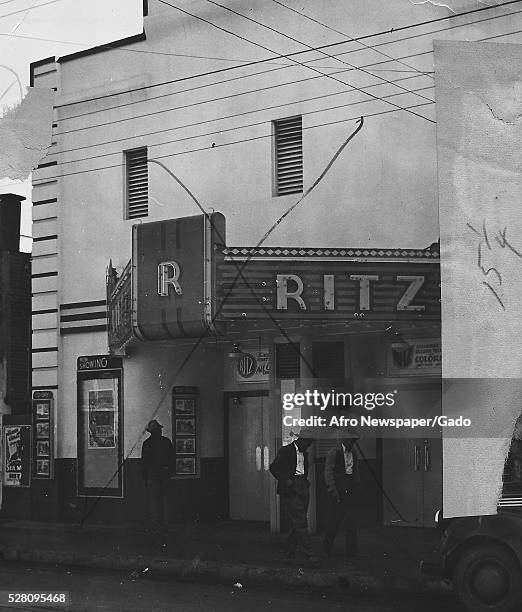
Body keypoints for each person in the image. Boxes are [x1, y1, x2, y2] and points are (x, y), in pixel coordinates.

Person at [269, 428, 320, 566]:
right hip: (291, 488)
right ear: (301, 440)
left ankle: (289, 555)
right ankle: (310, 554)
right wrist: (286, 480)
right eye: (308, 443)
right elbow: (273, 467)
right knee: (301, 522)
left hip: (302, 485)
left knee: (296, 523)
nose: (308, 446)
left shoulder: (305, 452)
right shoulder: (286, 451)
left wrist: (305, 482)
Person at [323, 434, 361, 557]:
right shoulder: (334, 453)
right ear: (344, 439)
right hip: (338, 491)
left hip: (351, 490)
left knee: (352, 523)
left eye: (354, 441)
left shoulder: (354, 452)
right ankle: (326, 550)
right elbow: (328, 473)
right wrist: (333, 491)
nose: (352, 443)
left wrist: (356, 487)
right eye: (351, 440)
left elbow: (355, 471)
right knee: (334, 522)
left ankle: (351, 551)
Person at [141, 419, 175, 532]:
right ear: (159, 430)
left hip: (152, 475)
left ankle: (156, 524)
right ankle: (167, 523)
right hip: (165, 474)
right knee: (166, 498)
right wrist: (170, 471)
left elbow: (145, 463)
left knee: (154, 500)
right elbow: (172, 458)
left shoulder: (147, 443)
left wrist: (145, 477)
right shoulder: (166, 441)